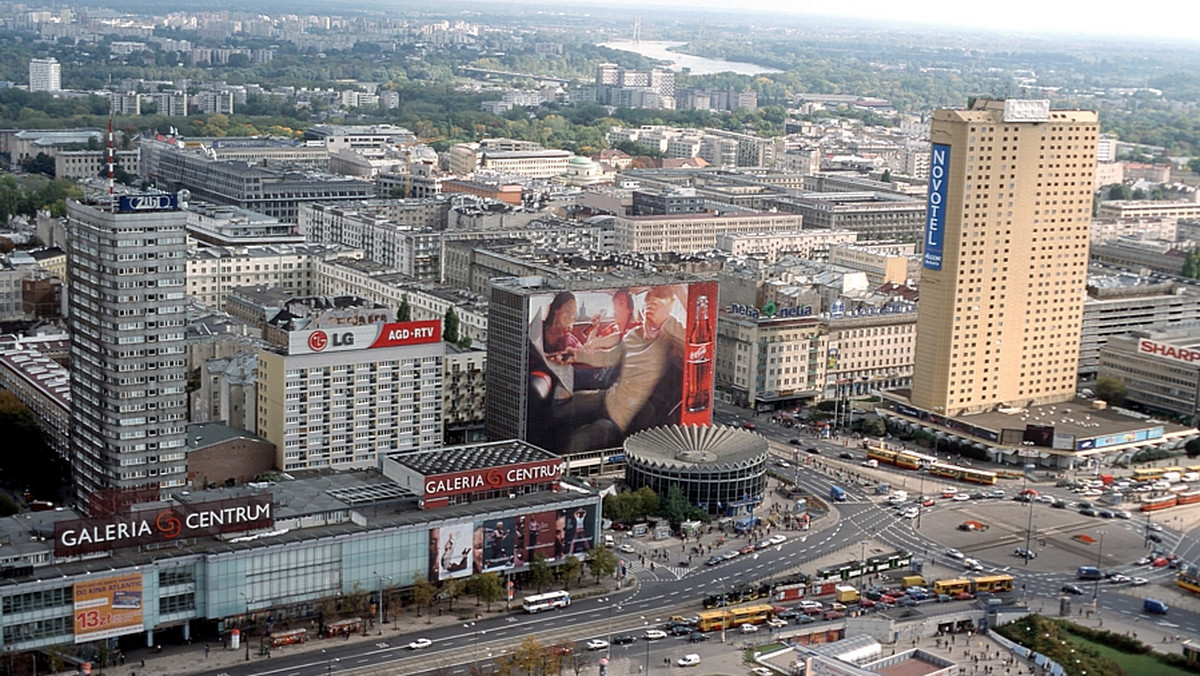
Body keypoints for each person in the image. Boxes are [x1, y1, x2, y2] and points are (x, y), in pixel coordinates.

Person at [557, 286, 686, 451]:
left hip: (620, 420)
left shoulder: (668, 340)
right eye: (652, 308)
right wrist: (577, 355)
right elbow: (609, 357)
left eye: (661, 310)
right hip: (607, 397)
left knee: (580, 439)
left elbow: (695, 347)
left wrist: (667, 320)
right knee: (562, 407)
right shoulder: (632, 335)